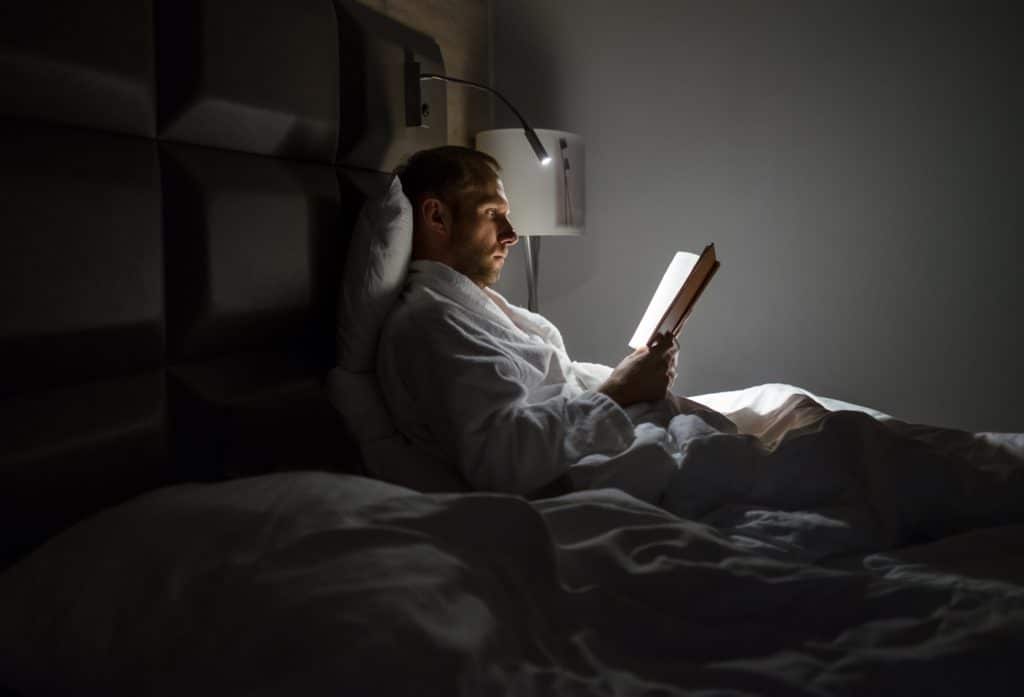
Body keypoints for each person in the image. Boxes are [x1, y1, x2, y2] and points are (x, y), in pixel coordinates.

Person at [377, 146, 731, 500]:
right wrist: (619, 391)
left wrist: (637, 375)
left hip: (605, 446)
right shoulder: (431, 324)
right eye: (492, 213)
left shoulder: (466, 304)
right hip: (580, 480)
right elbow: (501, 460)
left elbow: (552, 379)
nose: (511, 234)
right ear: (437, 217)